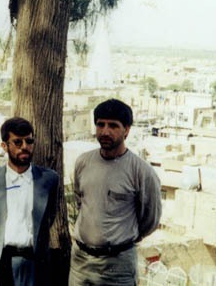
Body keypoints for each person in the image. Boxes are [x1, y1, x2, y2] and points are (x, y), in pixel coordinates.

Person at [69, 99, 162, 286]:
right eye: (100, 124)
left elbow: (150, 220)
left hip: (117, 266)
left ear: (126, 130)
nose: (105, 131)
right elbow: (81, 202)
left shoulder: (141, 172)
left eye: (113, 126)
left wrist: (122, 239)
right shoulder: (83, 162)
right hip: (81, 263)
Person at [0, 117, 59, 286]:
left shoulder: (48, 179)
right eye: (17, 142)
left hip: (33, 264)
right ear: (4, 146)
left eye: (29, 141)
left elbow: (48, 218)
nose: (24, 147)